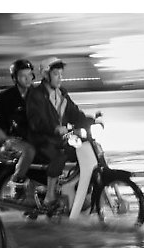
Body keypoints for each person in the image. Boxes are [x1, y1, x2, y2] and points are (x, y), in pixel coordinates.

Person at [26, 57, 95, 208]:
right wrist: (54, 129)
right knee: (60, 154)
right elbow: (36, 121)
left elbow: (75, 113)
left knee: (85, 149)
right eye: (56, 74)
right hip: (41, 140)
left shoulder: (62, 94)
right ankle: (50, 196)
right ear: (46, 75)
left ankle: (82, 190)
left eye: (61, 74)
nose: (60, 78)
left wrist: (91, 120)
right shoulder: (36, 95)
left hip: (60, 138)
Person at [0, 59, 36, 199]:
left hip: (29, 137)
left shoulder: (36, 94)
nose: (27, 78)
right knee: (29, 151)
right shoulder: (5, 97)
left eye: (30, 74)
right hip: (11, 140)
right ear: (15, 78)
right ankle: (16, 182)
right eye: (23, 75)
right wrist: (5, 138)